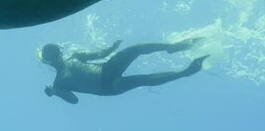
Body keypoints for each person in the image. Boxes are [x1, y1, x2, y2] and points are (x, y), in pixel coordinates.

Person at [40, 38, 209, 104]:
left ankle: (173, 47)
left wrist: (111, 47)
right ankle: (185, 72)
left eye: (58, 53)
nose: (59, 56)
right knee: (143, 79)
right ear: (49, 61)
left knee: (137, 47)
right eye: (54, 56)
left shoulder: (75, 57)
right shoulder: (59, 83)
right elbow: (74, 100)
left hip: (107, 68)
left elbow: (101, 54)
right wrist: (55, 93)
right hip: (107, 87)